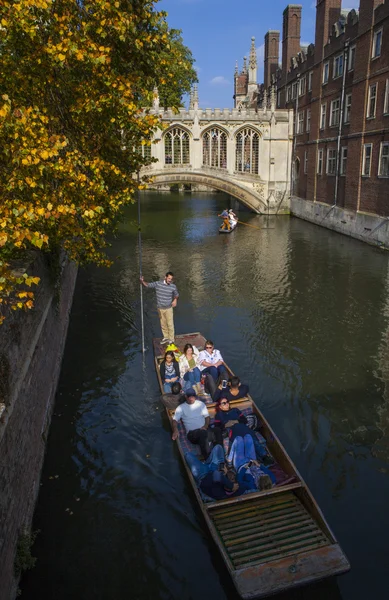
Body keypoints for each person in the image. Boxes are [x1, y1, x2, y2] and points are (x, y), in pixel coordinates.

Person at [214, 397, 274, 465]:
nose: (227, 404)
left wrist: (236, 421)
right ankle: (261, 457)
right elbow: (217, 427)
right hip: (233, 430)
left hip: (243, 427)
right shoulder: (219, 415)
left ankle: (264, 456)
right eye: (224, 403)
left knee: (251, 437)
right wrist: (225, 425)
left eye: (227, 402)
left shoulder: (235, 410)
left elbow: (244, 420)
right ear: (220, 406)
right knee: (246, 437)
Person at [185, 445, 257, 500]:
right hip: (216, 470)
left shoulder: (219, 494)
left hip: (203, 475)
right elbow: (253, 490)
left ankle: (205, 464)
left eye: (230, 480)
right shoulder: (240, 488)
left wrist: (229, 484)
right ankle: (207, 462)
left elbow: (215, 476)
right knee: (218, 447)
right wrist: (250, 464)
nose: (233, 477)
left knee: (188, 455)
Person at [172, 388, 223, 458]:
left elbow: (207, 417)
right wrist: (175, 429)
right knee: (202, 433)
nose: (192, 398)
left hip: (204, 430)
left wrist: (205, 426)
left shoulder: (201, 404)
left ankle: (220, 455)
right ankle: (207, 457)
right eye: (190, 396)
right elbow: (174, 420)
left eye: (193, 396)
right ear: (186, 397)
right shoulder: (181, 408)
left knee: (217, 430)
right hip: (192, 434)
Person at [140, 271, 179, 344]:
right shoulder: (158, 284)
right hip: (160, 308)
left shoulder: (173, 286)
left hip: (169, 308)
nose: (170, 280)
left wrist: (175, 300)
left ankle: (171, 339)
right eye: (169, 278)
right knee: (163, 324)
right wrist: (142, 281)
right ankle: (166, 337)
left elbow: (176, 294)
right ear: (165, 277)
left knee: (170, 324)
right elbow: (148, 285)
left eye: (171, 279)